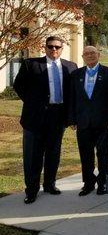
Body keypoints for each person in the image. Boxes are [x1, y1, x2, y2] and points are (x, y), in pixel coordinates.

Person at [13, 36, 78, 204]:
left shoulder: (70, 67)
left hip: (58, 117)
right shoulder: (31, 64)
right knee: (33, 155)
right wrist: (33, 102)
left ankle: (49, 184)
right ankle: (32, 190)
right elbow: (18, 86)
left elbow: (73, 93)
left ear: (62, 49)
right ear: (45, 47)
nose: (54, 50)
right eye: (50, 46)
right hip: (35, 118)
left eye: (57, 47)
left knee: (53, 153)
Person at [69, 46, 108, 196]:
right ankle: (88, 183)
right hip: (83, 122)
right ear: (82, 56)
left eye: (93, 53)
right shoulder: (76, 74)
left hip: (104, 122)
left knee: (103, 154)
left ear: (99, 55)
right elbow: (72, 98)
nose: (90, 55)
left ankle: (103, 182)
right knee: (85, 155)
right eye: (86, 53)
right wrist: (72, 119)